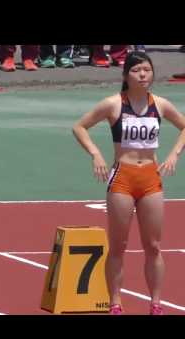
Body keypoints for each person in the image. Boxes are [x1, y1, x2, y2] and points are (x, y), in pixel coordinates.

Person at [72, 51, 185, 315]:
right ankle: (115, 302)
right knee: (118, 246)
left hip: (150, 179)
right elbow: (80, 127)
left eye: (147, 70)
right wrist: (96, 153)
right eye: (136, 71)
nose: (143, 75)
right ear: (126, 76)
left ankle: (156, 304)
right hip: (122, 178)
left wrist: (174, 154)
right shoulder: (113, 104)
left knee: (154, 246)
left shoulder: (160, 104)